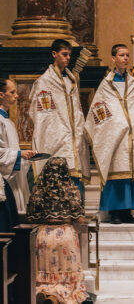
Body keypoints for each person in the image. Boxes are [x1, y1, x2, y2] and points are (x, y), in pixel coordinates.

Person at [85, 44, 134, 224]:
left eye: (127, 55)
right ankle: (114, 211)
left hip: (132, 136)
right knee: (116, 171)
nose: (125, 58)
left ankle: (127, 211)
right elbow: (99, 109)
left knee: (130, 173)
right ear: (113, 58)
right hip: (114, 137)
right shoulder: (105, 85)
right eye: (121, 55)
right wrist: (115, 125)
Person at [29, 39, 90, 199]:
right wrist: (57, 130)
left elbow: (77, 109)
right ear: (54, 54)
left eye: (69, 54)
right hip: (56, 136)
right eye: (64, 54)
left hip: (73, 135)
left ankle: (76, 212)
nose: (68, 58)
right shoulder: (44, 82)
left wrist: (79, 128)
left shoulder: (71, 80)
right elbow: (41, 114)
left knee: (74, 174)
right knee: (57, 175)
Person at [26, 157, 87, 304]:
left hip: (44, 235)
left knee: (45, 273)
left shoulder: (38, 191)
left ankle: (48, 292)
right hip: (65, 234)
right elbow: (79, 218)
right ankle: (61, 294)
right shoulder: (71, 190)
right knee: (67, 275)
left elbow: (31, 217)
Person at [0, 78, 36, 217]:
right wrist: (20, 155)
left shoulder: (7, 121)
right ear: (1, 94)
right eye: (12, 92)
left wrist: (25, 155)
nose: (17, 95)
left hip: (12, 178)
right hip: (4, 182)